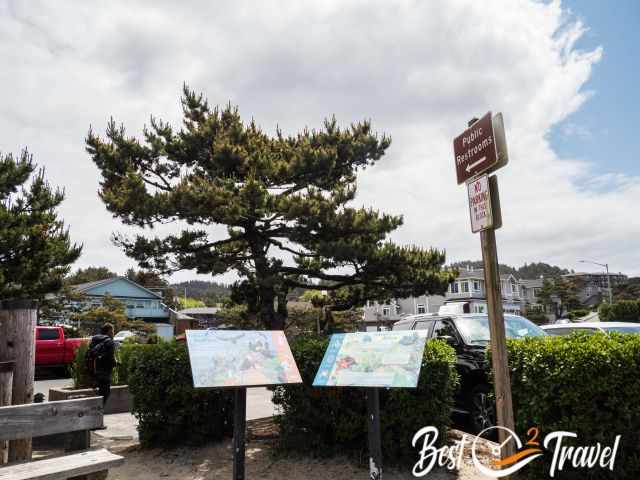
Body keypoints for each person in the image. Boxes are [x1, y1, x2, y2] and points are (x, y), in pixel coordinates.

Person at [86, 323, 117, 407]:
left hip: (93, 371)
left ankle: (96, 412)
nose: (113, 333)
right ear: (109, 331)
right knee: (104, 395)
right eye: (113, 331)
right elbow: (110, 358)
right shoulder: (109, 342)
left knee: (98, 395)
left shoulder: (94, 339)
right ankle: (98, 414)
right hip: (104, 373)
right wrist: (115, 363)